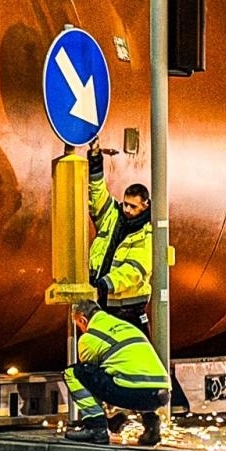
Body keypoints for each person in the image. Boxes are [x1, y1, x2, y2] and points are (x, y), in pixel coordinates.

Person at [62, 300, 169, 446]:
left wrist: (102, 417)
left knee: (74, 373)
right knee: (132, 376)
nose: (80, 328)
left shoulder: (90, 337)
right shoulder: (126, 326)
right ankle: (151, 426)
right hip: (161, 394)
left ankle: (96, 428)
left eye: (78, 324)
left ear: (82, 319)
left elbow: (92, 381)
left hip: (133, 392)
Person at [87, 138, 152, 333]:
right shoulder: (113, 214)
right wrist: (96, 159)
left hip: (128, 311)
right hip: (104, 303)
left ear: (145, 206)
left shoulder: (148, 233)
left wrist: (104, 285)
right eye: (125, 203)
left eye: (133, 206)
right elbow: (97, 194)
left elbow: (134, 270)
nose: (127, 209)